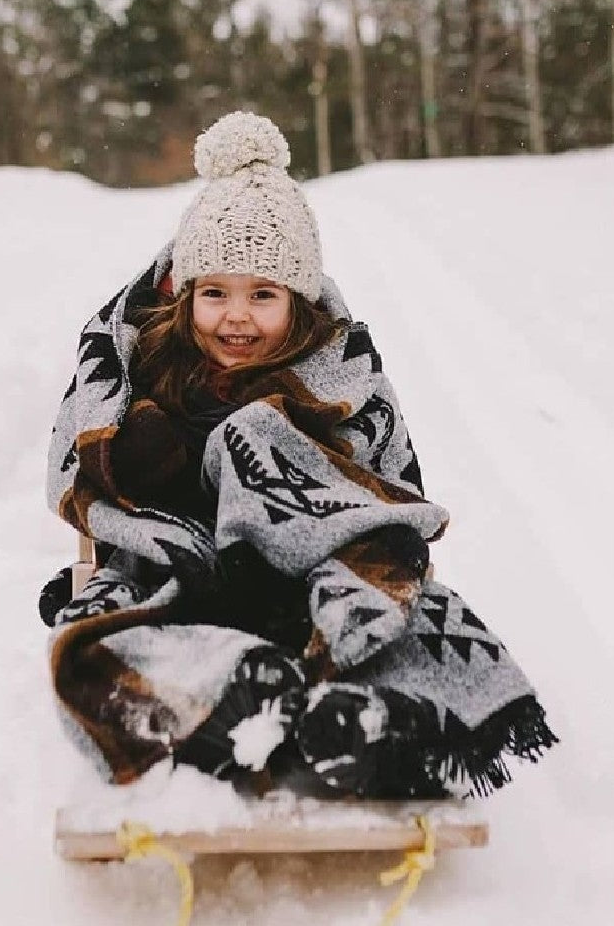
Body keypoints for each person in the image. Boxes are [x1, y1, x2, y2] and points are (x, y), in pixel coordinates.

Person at [40, 111, 556, 798]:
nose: (237, 317)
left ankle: (355, 720)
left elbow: (386, 484)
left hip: (299, 575)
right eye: (215, 293)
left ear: (298, 301)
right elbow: (91, 478)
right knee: (96, 642)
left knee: (256, 436)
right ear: (187, 294)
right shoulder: (154, 369)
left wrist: (280, 465)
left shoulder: (337, 375)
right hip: (185, 572)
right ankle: (240, 692)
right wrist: (146, 458)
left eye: (263, 295)